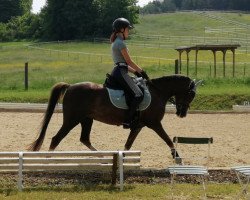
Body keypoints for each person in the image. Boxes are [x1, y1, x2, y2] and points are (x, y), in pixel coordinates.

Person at [109, 17, 149, 129]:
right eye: (128, 29)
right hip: (121, 72)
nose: (129, 31)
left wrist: (136, 73)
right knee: (138, 94)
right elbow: (129, 62)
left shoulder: (116, 42)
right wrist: (142, 72)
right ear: (122, 29)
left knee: (134, 91)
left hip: (120, 70)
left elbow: (123, 64)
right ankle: (127, 121)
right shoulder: (120, 43)